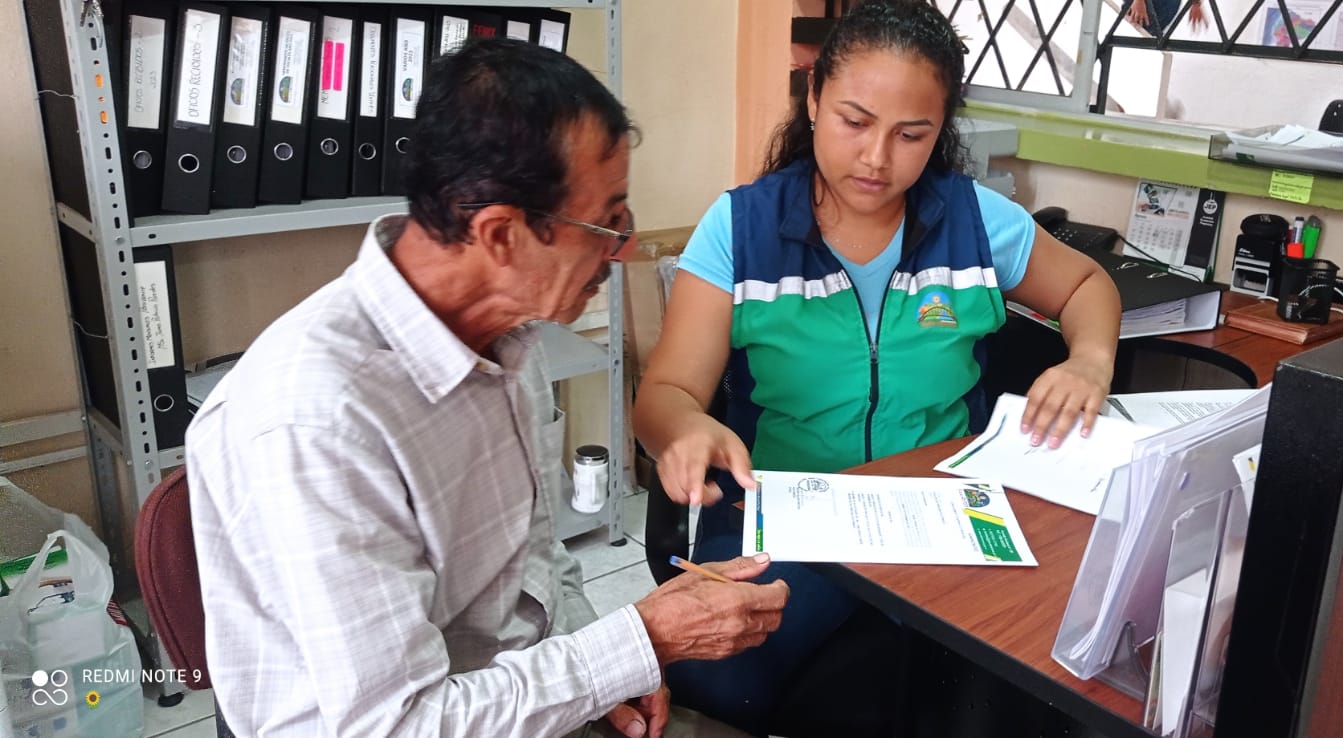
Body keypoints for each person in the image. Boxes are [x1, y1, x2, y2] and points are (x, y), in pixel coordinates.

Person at [186, 39, 788, 738]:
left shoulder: (507, 340)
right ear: (500, 234)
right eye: (607, 224)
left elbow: (536, 564)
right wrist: (637, 644)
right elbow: (398, 724)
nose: (622, 249)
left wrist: (611, 674)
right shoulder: (315, 423)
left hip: (517, 704)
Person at [633, 0, 1122, 734]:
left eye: (910, 135)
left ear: (940, 131)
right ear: (813, 98)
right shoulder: (741, 229)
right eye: (854, 122)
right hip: (792, 519)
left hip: (944, 519)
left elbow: (1087, 285)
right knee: (714, 680)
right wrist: (684, 430)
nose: (875, 158)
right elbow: (666, 392)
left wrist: (1089, 359)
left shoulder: (975, 221)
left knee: (1034, 682)